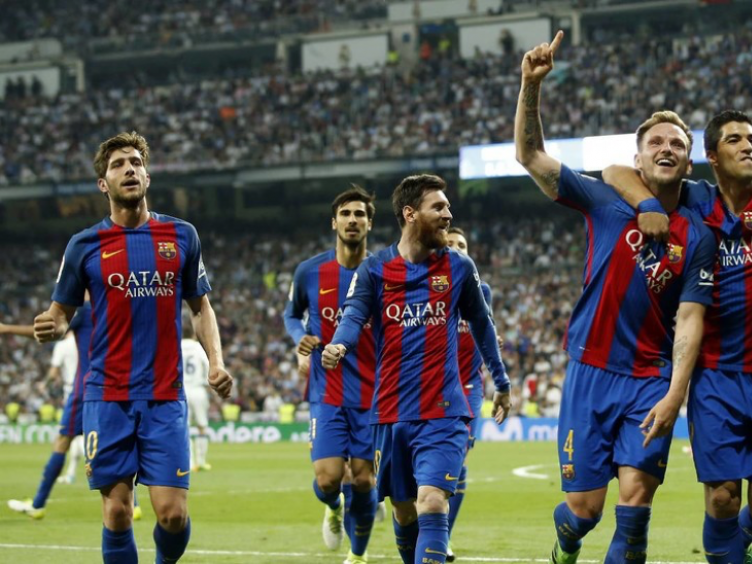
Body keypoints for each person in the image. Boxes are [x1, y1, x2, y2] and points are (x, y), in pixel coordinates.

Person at [514, 32, 716, 563]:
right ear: (638, 159)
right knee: (583, 511)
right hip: (590, 372)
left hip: (649, 379)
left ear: (689, 164)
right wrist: (530, 86)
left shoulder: (698, 235)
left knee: (635, 505)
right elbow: (530, 155)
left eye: (678, 145)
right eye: (656, 143)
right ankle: (566, 542)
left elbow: (690, 319)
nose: (667, 148)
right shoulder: (604, 199)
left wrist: (675, 393)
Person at [32, 131, 233, 564]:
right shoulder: (84, 245)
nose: (129, 169)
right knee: (118, 512)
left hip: (165, 395)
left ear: (147, 176)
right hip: (107, 395)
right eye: (119, 164)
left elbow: (201, 307)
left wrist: (216, 361)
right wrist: (52, 325)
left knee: (173, 515)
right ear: (103, 184)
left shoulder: (181, 235)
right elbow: (61, 313)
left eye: (136, 162)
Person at [322, 174, 511, 564]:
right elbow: (354, 314)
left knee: (432, 501)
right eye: (438, 207)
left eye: (447, 207)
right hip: (391, 412)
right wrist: (340, 343)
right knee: (404, 511)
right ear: (410, 214)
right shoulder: (375, 269)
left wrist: (501, 381)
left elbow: (482, 324)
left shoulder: (459, 267)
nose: (448, 215)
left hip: (443, 409)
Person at [602, 110, 752, 563]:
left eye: (751, 138)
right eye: (735, 139)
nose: (748, 146)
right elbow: (615, 172)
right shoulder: (695, 199)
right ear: (711, 156)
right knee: (723, 497)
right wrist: (648, 206)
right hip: (716, 375)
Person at [284, 186, 379, 564]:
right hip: (327, 389)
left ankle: (357, 555)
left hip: (373, 392)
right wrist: (300, 339)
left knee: (364, 480)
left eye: (360, 214)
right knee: (328, 480)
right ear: (334, 222)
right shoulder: (310, 271)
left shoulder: (384, 272)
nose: (353, 220)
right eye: (346, 213)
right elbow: (291, 314)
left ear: (369, 223)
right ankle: (334, 507)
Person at [444, 226, 493, 562]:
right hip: (434, 384)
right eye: (450, 243)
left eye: (461, 244)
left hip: (469, 387)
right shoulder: (424, 289)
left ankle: (442, 535)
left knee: (458, 459)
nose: (457, 248)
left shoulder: (481, 290)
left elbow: (484, 326)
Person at [182, 319, 212, 472]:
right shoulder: (198, 347)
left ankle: (189, 462)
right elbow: (208, 365)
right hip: (198, 390)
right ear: (193, 334)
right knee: (202, 425)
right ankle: (201, 462)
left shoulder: (176, 347)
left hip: (182, 391)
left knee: (184, 427)